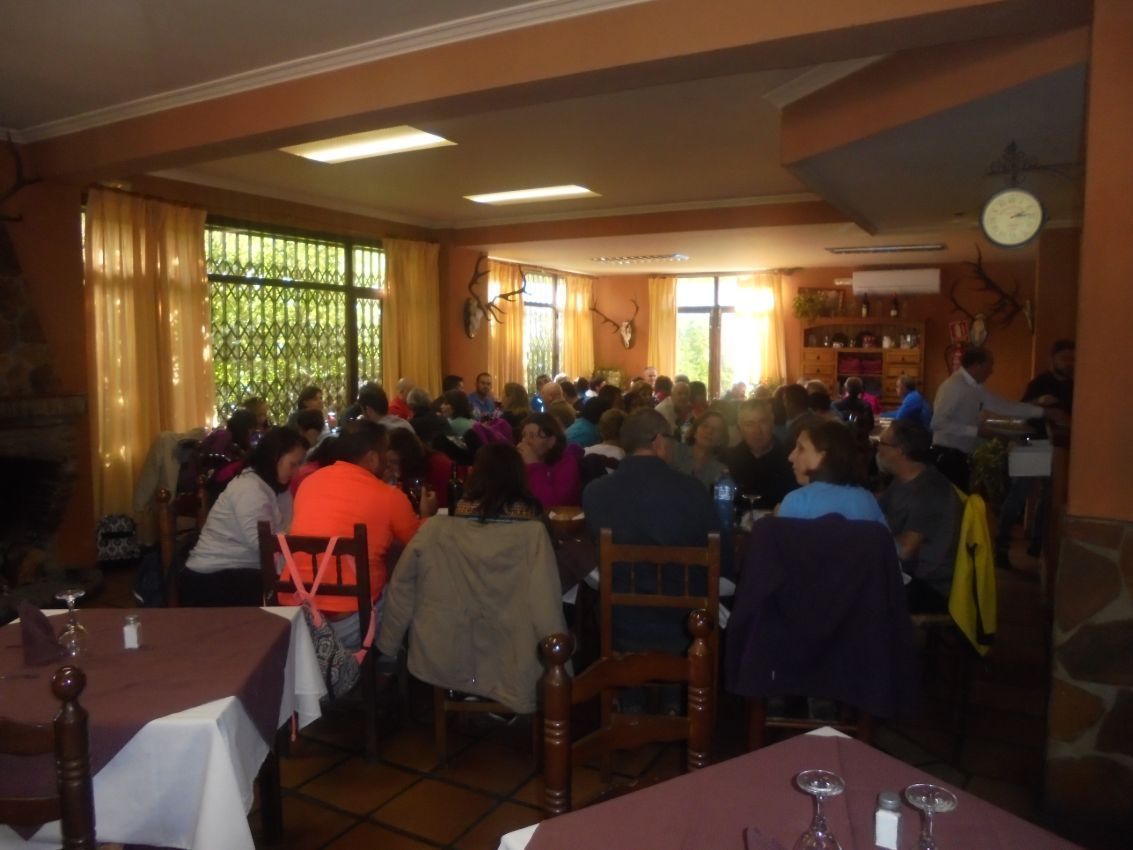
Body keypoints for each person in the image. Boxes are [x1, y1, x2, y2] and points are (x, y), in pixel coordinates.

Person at [376, 443, 566, 713]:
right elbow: (545, 603)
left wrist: (389, 647)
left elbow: (402, 587)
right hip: (511, 655)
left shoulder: (435, 530)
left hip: (444, 653)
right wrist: (559, 664)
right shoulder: (532, 535)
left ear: (472, 478)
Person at [583, 409, 724, 712]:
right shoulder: (693, 491)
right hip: (686, 623)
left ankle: (631, 694)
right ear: (659, 441)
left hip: (622, 620)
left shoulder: (595, 493)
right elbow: (719, 555)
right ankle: (675, 695)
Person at [289, 421, 436, 649]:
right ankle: (390, 659)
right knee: (404, 585)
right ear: (373, 458)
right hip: (349, 621)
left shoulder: (309, 483)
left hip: (298, 614)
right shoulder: (389, 497)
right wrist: (428, 514)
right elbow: (419, 543)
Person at [180, 427, 307, 606]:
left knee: (300, 586)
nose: (297, 472)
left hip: (243, 570)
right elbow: (263, 546)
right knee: (294, 593)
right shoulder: (250, 488)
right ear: (274, 457)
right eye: (293, 464)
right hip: (211, 578)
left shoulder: (278, 488)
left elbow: (288, 531)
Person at [930, 348, 1063, 491]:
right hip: (947, 456)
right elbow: (937, 423)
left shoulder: (975, 387)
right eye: (990, 365)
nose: (991, 371)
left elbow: (1004, 407)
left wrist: (1044, 412)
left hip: (960, 456)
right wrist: (977, 431)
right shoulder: (954, 386)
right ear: (977, 365)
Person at [996, 339, 1075, 563]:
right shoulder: (1040, 383)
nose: (1069, 363)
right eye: (1065, 358)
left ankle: (1038, 542)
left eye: (1072, 358)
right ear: (1053, 359)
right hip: (1032, 443)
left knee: (1049, 497)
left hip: (1058, 448)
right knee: (1019, 495)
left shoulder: (1073, 385)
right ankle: (1001, 544)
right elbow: (1022, 410)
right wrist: (1040, 402)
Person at [876, 420, 961, 612]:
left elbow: (906, 549)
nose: (878, 449)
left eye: (882, 443)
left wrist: (869, 538)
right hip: (907, 573)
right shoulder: (905, 479)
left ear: (900, 451)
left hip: (928, 585)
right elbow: (879, 507)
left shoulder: (930, 490)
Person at [778, 420, 887, 524]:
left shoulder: (796, 502)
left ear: (823, 457)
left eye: (801, 449)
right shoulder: (866, 500)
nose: (791, 457)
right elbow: (886, 541)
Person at [723, 399, 797, 510]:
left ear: (772, 422)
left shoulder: (792, 460)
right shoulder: (728, 460)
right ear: (740, 428)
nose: (757, 430)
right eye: (749, 424)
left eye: (762, 422)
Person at [518, 412, 583, 507]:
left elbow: (553, 506)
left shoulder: (566, 463)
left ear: (551, 441)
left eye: (532, 436)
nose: (525, 441)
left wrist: (533, 465)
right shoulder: (520, 463)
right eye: (524, 435)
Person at [670, 409, 728, 489]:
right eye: (705, 426)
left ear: (721, 439)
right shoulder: (675, 451)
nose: (709, 431)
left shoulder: (720, 471)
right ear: (695, 431)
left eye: (716, 429)